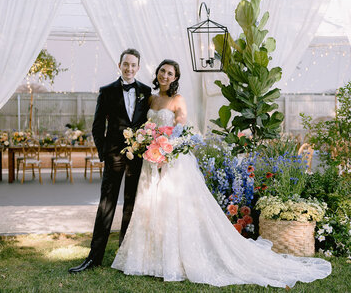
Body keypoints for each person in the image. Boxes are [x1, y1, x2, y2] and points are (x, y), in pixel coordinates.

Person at [111, 59, 332, 288]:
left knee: (173, 207)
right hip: (151, 159)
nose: (165, 75)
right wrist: (146, 143)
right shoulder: (151, 98)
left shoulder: (178, 100)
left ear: (175, 78)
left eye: (170, 73)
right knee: (152, 205)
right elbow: (147, 126)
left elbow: (179, 129)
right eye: (162, 71)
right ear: (157, 73)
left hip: (171, 159)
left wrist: (166, 149)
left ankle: (174, 260)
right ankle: (150, 258)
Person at [69, 49, 151, 273]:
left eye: (133, 65)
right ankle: (93, 257)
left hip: (138, 157)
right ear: (119, 65)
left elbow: (148, 125)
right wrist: (104, 153)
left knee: (131, 206)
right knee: (106, 205)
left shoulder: (146, 91)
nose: (129, 68)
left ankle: (125, 256)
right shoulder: (106, 92)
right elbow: (97, 127)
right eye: (126, 64)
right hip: (114, 155)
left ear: (138, 67)